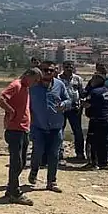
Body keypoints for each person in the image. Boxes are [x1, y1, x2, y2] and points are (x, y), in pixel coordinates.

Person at [0, 68, 42, 205]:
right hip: (15, 129)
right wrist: (11, 111)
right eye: (35, 80)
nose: (36, 83)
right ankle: (15, 192)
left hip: (23, 129)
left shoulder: (25, 87)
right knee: (17, 162)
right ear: (28, 75)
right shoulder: (16, 85)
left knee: (20, 162)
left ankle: (11, 189)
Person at [27, 62, 73, 192]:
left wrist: (64, 104)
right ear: (40, 71)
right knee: (38, 152)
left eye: (51, 70)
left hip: (56, 126)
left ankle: (51, 181)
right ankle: (34, 171)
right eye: (45, 70)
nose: (48, 72)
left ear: (54, 72)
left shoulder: (60, 85)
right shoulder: (33, 86)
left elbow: (69, 100)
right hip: (38, 126)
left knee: (54, 154)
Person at [83, 69, 108, 169]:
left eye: (94, 78)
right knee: (103, 141)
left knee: (92, 141)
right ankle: (103, 162)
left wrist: (82, 104)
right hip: (106, 119)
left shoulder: (94, 92)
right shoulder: (107, 91)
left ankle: (92, 163)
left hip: (96, 119)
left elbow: (87, 104)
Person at [58, 61, 86, 162]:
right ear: (63, 67)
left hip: (75, 109)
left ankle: (80, 153)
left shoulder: (77, 79)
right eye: (66, 67)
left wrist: (82, 105)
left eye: (70, 67)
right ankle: (59, 154)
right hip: (62, 109)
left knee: (78, 131)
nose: (69, 68)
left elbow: (82, 93)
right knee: (59, 131)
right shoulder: (58, 79)